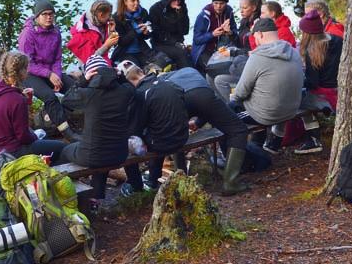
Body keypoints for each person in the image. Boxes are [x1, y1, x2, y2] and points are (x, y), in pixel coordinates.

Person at [158, 67, 249, 195]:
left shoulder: (162, 81)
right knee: (238, 130)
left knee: (178, 138)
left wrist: (197, 122)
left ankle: (183, 185)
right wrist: (199, 122)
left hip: (178, 100)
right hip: (202, 95)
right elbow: (208, 103)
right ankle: (230, 183)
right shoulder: (190, 70)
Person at [60, 55, 136, 205]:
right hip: (119, 154)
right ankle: (96, 197)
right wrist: (118, 75)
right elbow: (131, 88)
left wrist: (83, 80)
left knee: (64, 151)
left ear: (91, 75)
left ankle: (71, 198)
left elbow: (66, 100)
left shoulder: (88, 94)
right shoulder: (124, 92)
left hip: (93, 155)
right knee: (102, 150)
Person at [266, 10, 342, 155]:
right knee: (299, 98)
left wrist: (297, 79)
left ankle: (275, 141)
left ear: (307, 32)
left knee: (288, 100)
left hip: (324, 98)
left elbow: (312, 83)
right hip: (338, 91)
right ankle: (310, 139)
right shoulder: (337, 40)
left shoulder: (312, 50)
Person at [117, 61, 189, 193]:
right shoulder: (168, 82)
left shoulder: (140, 94)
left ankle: (135, 185)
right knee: (157, 129)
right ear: (141, 71)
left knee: (127, 142)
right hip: (183, 136)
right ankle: (153, 178)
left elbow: (134, 130)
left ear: (127, 81)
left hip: (164, 142)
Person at [0, 51, 67, 163]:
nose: (28, 71)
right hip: (10, 151)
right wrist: (35, 137)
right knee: (61, 147)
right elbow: (23, 137)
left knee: (43, 138)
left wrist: (24, 99)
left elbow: (7, 110)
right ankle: (46, 174)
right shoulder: (17, 100)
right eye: (26, 68)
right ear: (21, 72)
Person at [230, 18, 304, 145]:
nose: (256, 41)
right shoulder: (293, 51)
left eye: (255, 37)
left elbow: (240, 93)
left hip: (267, 115)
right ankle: (262, 142)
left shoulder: (258, 56)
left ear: (260, 34)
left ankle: (235, 154)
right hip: (291, 110)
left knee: (229, 109)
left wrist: (232, 96)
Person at [18, 0, 80, 142]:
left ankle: (72, 119)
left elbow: (57, 58)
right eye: (44, 14)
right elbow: (27, 63)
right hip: (30, 74)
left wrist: (57, 76)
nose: (49, 17)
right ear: (37, 16)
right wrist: (49, 74)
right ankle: (66, 131)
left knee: (75, 88)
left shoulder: (55, 32)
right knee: (50, 97)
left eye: (51, 14)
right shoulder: (28, 34)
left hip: (51, 72)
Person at [211, 0, 262, 102]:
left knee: (218, 76)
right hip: (243, 60)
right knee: (210, 72)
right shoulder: (244, 22)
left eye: (245, 8)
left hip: (252, 65)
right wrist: (230, 33)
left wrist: (232, 53)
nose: (241, 11)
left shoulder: (259, 24)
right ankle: (226, 108)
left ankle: (234, 108)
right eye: (240, 8)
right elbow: (240, 44)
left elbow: (256, 51)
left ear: (254, 8)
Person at [191, 0, 238, 72]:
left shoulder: (229, 13)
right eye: (215, 3)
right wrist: (212, 34)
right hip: (204, 51)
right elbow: (197, 39)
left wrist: (230, 33)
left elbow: (236, 36)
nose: (218, 6)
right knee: (215, 69)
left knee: (233, 68)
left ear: (226, 3)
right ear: (212, 2)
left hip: (222, 50)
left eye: (222, 3)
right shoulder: (203, 16)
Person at [111, 0, 157, 68]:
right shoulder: (116, 18)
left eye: (138, 0)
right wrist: (135, 32)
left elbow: (148, 36)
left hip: (142, 50)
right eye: (133, 1)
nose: (136, 3)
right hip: (126, 53)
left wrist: (146, 32)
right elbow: (121, 42)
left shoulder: (143, 12)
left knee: (159, 65)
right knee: (136, 71)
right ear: (125, 2)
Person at [149, 0, 191, 68]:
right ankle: (187, 76)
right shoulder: (156, 9)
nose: (177, 2)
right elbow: (156, 33)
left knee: (188, 53)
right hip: (160, 44)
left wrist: (180, 15)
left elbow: (185, 31)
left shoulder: (182, 7)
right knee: (180, 53)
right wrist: (173, 42)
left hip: (178, 43)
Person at [68, 0, 119, 65]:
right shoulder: (82, 33)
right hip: (91, 68)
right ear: (101, 15)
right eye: (109, 15)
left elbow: (107, 49)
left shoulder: (101, 24)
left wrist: (112, 31)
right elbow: (90, 59)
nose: (110, 18)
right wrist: (106, 45)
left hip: (105, 62)